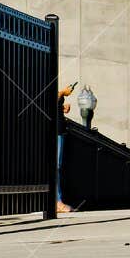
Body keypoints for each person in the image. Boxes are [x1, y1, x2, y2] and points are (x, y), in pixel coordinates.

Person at [56, 83, 74, 214]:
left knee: (58, 167)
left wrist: (61, 108)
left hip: (59, 131)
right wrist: (62, 93)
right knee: (55, 167)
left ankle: (57, 201)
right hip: (55, 133)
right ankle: (57, 202)